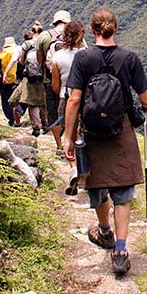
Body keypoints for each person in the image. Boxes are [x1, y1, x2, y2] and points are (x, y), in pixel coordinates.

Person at [64, 7, 147, 276]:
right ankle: (122, 251)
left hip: (91, 131)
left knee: (98, 184)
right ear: (116, 28)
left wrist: (68, 137)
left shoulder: (83, 59)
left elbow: (74, 99)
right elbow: (145, 98)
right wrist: (144, 107)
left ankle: (104, 232)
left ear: (92, 31)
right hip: (120, 129)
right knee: (122, 191)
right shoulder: (130, 59)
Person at [51, 20, 85, 195]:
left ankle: (74, 167)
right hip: (86, 98)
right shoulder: (86, 55)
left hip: (66, 97)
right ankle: (85, 168)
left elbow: (55, 85)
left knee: (70, 134)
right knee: (83, 133)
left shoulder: (57, 57)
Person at [36, 10, 71, 153]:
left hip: (49, 80)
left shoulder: (44, 36)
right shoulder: (74, 35)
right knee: (70, 112)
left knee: (53, 113)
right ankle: (72, 143)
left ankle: (59, 145)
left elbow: (39, 59)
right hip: (70, 82)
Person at [19, 24, 47, 136]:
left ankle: (36, 127)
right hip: (43, 75)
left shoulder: (27, 44)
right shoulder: (44, 42)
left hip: (30, 76)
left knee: (32, 103)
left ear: (32, 31)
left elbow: (21, 60)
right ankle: (45, 124)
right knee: (44, 101)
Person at [0, 36, 20, 126]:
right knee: (16, 99)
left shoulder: (0, 53)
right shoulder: (18, 51)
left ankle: (11, 119)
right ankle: (17, 118)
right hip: (17, 78)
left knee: (6, 99)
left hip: (4, 79)